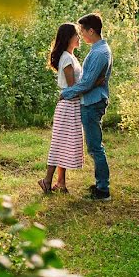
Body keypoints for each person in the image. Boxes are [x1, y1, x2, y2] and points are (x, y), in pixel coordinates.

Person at [61, 13, 112, 201]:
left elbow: (86, 83)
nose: (81, 35)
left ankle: (103, 190)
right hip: (91, 100)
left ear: (91, 30)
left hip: (92, 103)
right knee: (94, 146)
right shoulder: (98, 49)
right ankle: (100, 184)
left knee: (95, 147)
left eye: (82, 31)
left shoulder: (100, 53)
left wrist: (65, 94)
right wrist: (90, 82)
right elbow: (89, 80)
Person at [39, 23, 85, 194]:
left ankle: (61, 183)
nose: (79, 38)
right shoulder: (66, 58)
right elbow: (72, 87)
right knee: (59, 144)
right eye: (76, 35)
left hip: (72, 105)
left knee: (65, 145)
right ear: (68, 38)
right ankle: (47, 180)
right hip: (68, 106)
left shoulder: (70, 56)